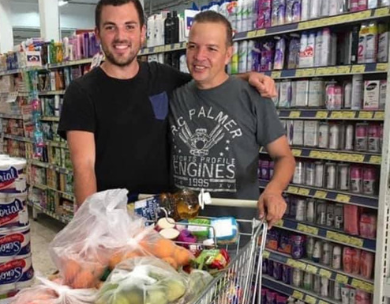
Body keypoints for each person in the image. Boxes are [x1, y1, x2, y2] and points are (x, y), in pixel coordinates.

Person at [59, 0, 275, 205]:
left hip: (164, 217)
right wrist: (91, 228)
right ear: (98, 34)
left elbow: (210, 79)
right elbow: (83, 167)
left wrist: (248, 78)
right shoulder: (81, 92)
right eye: (110, 27)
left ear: (143, 32)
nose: (120, 36)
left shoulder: (163, 77)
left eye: (129, 26)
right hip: (113, 218)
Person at [169, 11, 295, 225]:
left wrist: (273, 191)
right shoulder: (174, 95)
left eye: (211, 48)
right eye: (193, 46)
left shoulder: (253, 97)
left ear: (228, 54)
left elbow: (285, 157)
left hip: (236, 233)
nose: (199, 56)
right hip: (182, 233)